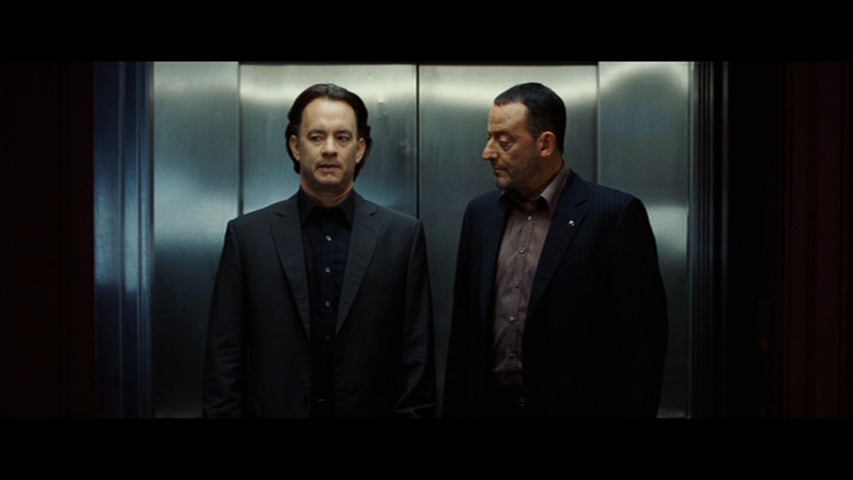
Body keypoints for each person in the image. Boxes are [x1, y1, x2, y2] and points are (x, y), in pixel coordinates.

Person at [203, 83, 435, 418]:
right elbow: (224, 357)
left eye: (342, 137)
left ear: (359, 148)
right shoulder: (248, 236)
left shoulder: (401, 236)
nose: (329, 149)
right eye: (316, 137)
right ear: (296, 147)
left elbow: (417, 355)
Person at [444, 82, 667, 418]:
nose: (488, 152)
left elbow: (642, 345)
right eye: (489, 138)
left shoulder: (613, 215)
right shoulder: (481, 215)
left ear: (545, 144)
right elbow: (464, 333)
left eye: (504, 140)